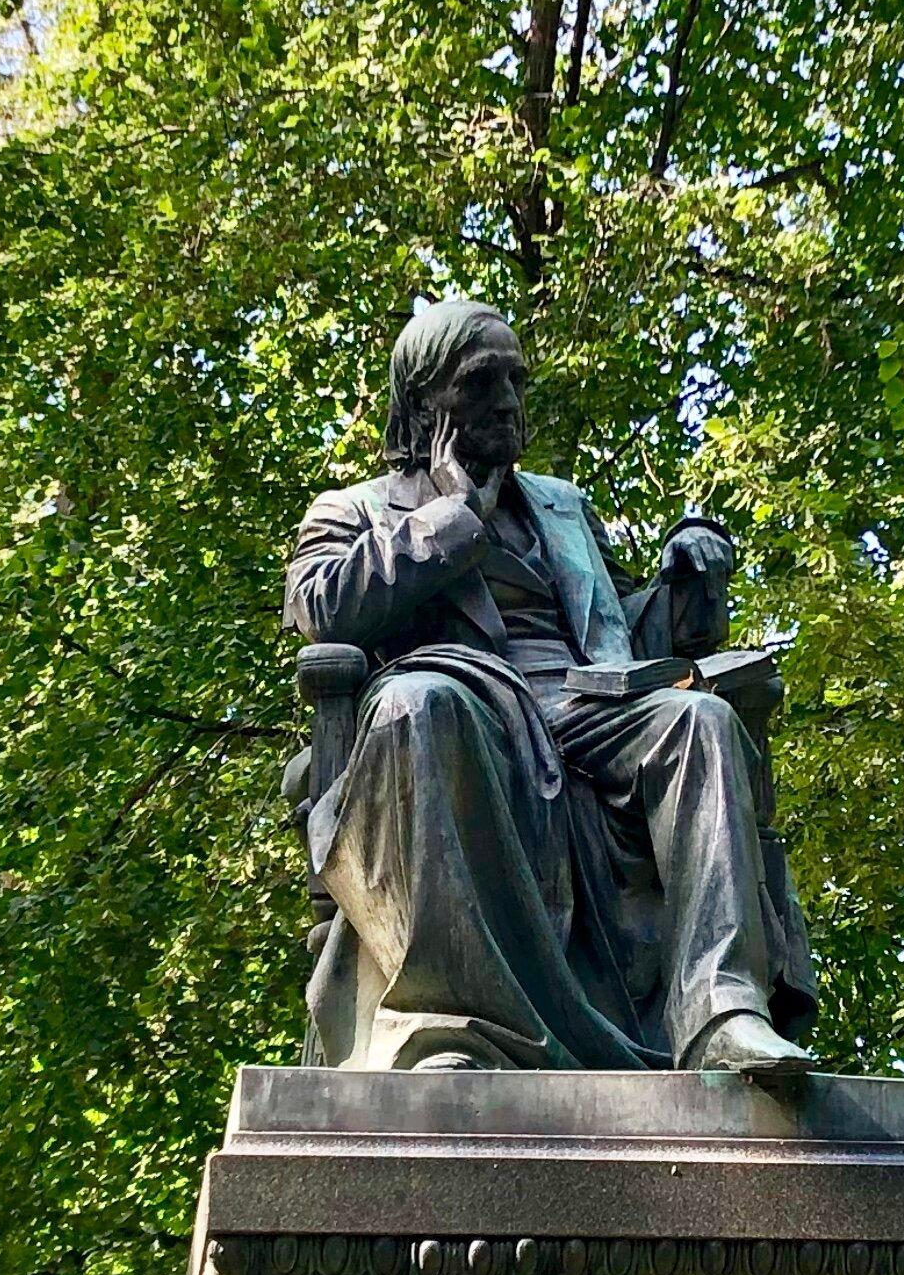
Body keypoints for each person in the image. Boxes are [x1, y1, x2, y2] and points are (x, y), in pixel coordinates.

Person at [284, 298, 818, 1082]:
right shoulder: (356, 509)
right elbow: (322, 606)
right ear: (427, 402)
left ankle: (722, 1011)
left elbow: (627, 627)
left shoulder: (564, 506)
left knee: (699, 720)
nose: (506, 401)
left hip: (589, 705)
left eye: (514, 380)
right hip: (466, 705)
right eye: (480, 383)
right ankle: (446, 1028)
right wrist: (453, 516)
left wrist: (684, 577)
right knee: (418, 705)